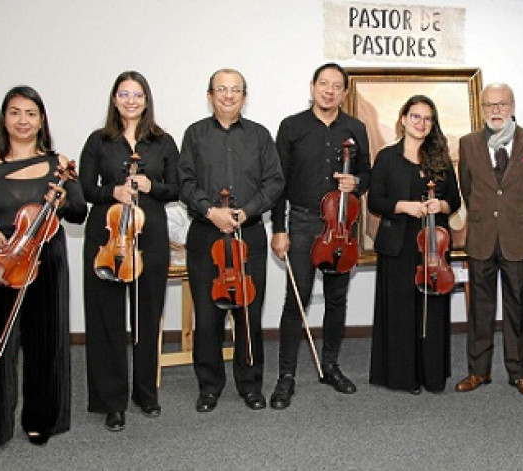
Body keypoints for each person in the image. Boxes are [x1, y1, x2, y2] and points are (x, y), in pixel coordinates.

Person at [0, 86, 87, 454]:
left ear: (41, 119)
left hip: (45, 260)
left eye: (30, 113)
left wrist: (62, 201)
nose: (23, 120)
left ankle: (38, 421)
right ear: (4, 117)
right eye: (15, 112)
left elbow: (80, 213)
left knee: (42, 344)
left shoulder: (58, 164)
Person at [178, 69, 284, 413]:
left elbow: (274, 182)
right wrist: (212, 212)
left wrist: (245, 212)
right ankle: (209, 387)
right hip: (206, 234)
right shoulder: (194, 134)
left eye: (235, 90)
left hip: (248, 233)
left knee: (248, 314)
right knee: (207, 317)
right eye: (221, 89)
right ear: (210, 95)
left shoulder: (260, 135)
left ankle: (251, 385)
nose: (228, 95)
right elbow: (185, 182)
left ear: (244, 96)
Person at [79, 71, 180, 431]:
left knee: (147, 316)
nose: (131, 100)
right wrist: (113, 192)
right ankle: (111, 402)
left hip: (148, 235)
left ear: (146, 100)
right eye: (124, 94)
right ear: (115, 99)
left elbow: (177, 188)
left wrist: (151, 184)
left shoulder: (163, 142)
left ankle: (145, 393)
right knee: (106, 319)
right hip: (106, 238)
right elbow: (84, 189)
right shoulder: (99, 141)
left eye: (138, 94)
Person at [269, 63, 370, 409]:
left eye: (336, 86)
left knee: (337, 299)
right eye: (323, 84)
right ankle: (286, 376)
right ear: (312, 86)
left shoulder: (355, 128)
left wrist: (356, 183)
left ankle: (330, 366)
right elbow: (278, 182)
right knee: (295, 302)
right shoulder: (291, 127)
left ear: (344, 92)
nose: (329, 90)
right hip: (302, 222)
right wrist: (279, 229)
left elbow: (367, 173)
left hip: (341, 225)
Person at [454, 83, 523, 397]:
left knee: (517, 309)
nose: (496, 111)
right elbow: (466, 188)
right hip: (481, 239)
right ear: (482, 109)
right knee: (479, 310)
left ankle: (519, 373)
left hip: (518, 239)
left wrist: (519, 218)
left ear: (513, 105)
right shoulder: (468, 144)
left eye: (502, 104)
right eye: (489, 105)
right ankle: (477, 372)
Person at [368, 95, 462, 394]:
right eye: (415, 117)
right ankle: (402, 376)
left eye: (428, 118)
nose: (421, 123)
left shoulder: (440, 158)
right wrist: (403, 206)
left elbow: (455, 200)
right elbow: (375, 201)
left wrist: (441, 206)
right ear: (403, 119)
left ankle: (432, 374)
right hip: (398, 244)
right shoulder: (386, 157)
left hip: (433, 248)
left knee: (432, 310)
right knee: (401, 311)